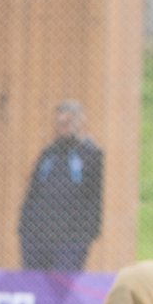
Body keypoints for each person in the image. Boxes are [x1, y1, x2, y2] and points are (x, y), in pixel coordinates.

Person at [17, 99, 104, 272]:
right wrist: (24, 228)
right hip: (37, 235)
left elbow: (94, 197)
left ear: (81, 122)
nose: (63, 127)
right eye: (59, 122)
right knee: (35, 285)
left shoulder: (91, 154)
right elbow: (33, 191)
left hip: (70, 238)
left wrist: (87, 234)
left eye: (68, 122)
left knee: (62, 287)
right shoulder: (49, 154)